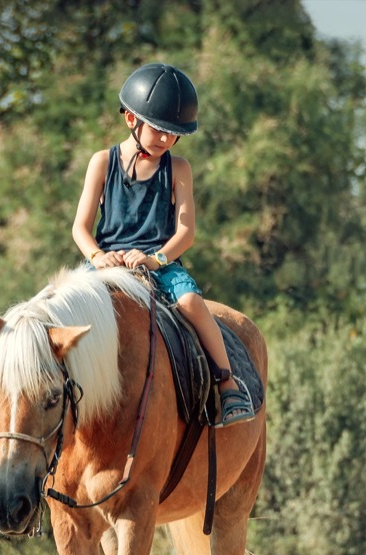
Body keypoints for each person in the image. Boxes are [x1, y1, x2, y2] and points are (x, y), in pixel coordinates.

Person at [72, 63, 254, 427]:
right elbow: (80, 227)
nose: (166, 141)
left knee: (190, 302)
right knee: (64, 305)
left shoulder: (179, 169)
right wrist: (98, 256)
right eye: (159, 130)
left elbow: (186, 233)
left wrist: (155, 259)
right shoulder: (101, 162)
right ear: (130, 120)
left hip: (160, 261)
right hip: (107, 261)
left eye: (174, 135)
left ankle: (228, 385)